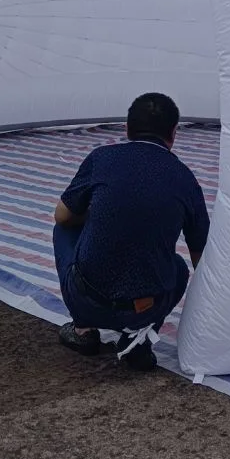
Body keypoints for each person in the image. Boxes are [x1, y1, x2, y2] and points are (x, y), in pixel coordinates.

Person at [52, 92, 210, 371]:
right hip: (146, 307)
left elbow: (62, 215)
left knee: (64, 230)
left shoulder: (102, 158)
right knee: (178, 268)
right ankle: (138, 339)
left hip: (88, 299)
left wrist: (96, 214)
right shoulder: (185, 179)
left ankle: (83, 330)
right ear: (174, 133)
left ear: (126, 129)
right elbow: (203, 262)